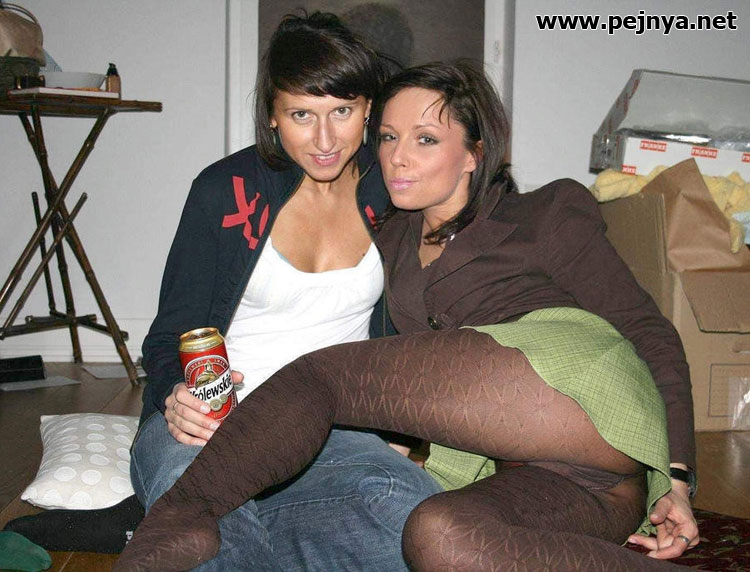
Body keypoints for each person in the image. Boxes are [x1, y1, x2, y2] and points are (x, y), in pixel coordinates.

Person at [115, 61, 699, 571]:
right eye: (389, 137)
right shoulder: (392, 237)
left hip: (580, 394)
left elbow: (647, 330)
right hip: (589, 488)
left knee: (321, 375)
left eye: (425, 139)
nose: (397, 157)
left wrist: (676, 477)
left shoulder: (544, 213)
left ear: (474, 153)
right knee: (437, 535)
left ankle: (181, 515)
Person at [128, 12, 441, 572]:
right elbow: (169, 335)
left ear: (369, 108)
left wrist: (397, 426)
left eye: (342, 111)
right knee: (204, 521)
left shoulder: (392, 191)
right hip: (214, 428)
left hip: (331, 431)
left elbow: (416, 322)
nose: (325, 140)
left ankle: (267, 533)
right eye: (301, 115)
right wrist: (177, 394)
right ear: (272, 115)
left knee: (415, 513)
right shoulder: (224, 190)